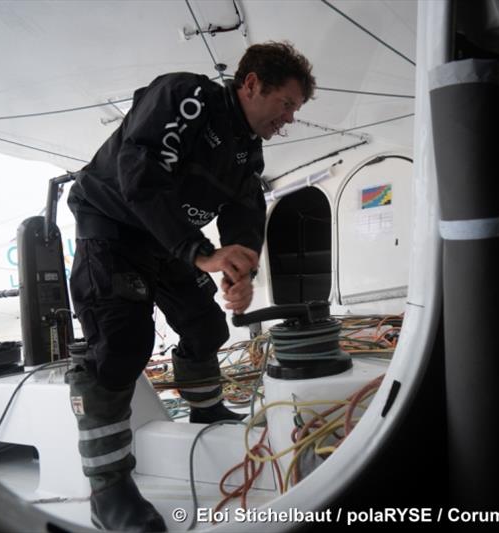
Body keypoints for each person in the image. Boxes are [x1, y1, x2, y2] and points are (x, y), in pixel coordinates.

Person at [64, 42, 315, 532]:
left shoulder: (248, 151)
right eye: (285, 103)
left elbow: (246, 212)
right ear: (250, 85)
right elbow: (140, 174)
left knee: (205, 328)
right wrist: (201, 253)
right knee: (121, 344)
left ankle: (206, 412)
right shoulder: (187, 96)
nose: (289, 118)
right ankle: (109, 488)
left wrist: (239, 272)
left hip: (171, 242)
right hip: (113, 228)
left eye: (295, 110)